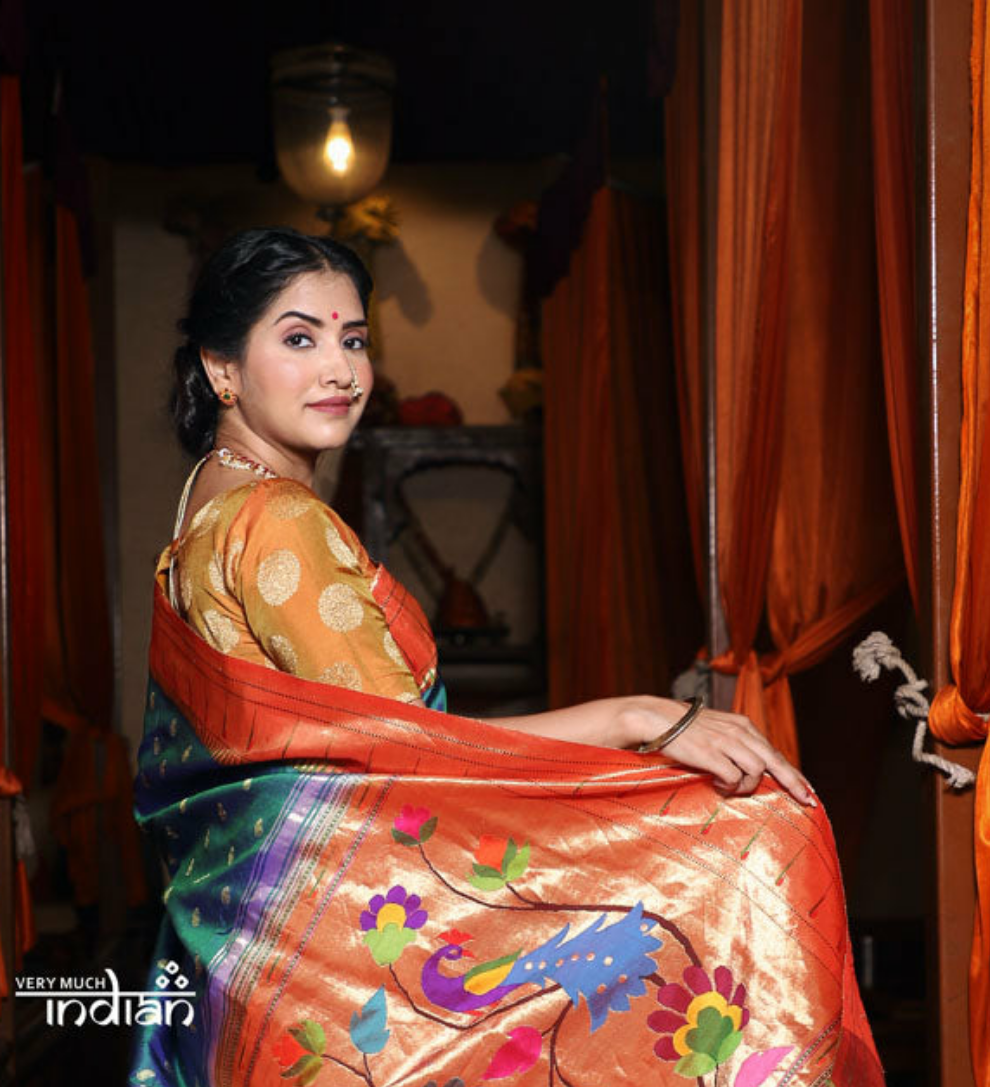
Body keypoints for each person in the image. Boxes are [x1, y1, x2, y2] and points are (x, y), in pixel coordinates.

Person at [132, 228, 882, 1087]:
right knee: (758, 834)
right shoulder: (277, 520)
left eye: (355, 340)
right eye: (300, 339)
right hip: (334, 949)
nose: (341, 370)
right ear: (221, 368)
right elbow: (415, 757)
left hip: (270, 934)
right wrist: (636, 716)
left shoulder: (207, 503)